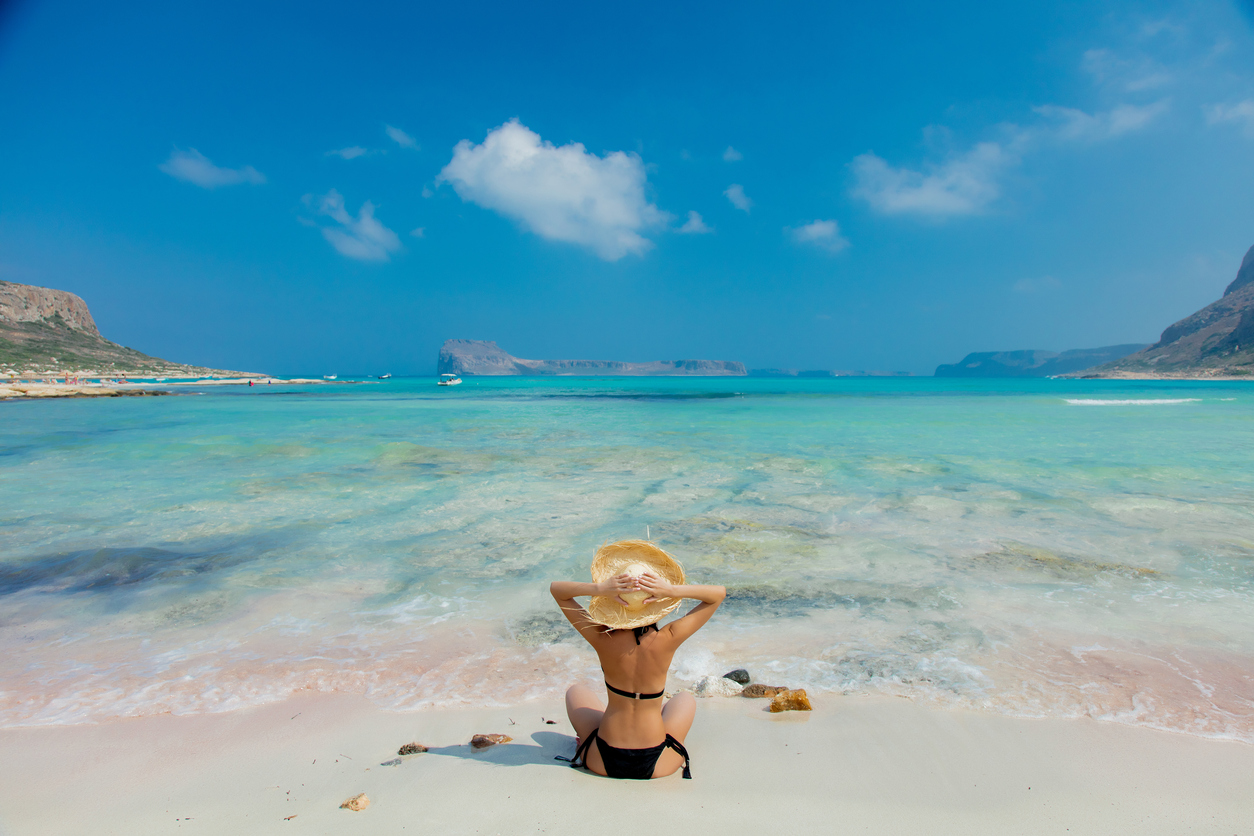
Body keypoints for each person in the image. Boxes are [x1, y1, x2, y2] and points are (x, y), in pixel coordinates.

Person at [551, 540, 725, 780]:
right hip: (657, 764)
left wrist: (600, 589)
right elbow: (717, 595)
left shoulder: (602, 638)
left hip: (602, 760)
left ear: (614, 601)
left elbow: (557, 591)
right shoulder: (668, 638)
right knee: (684, 699)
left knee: (576, 692)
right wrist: (672, 590)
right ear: (656, 603)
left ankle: (588, 741)